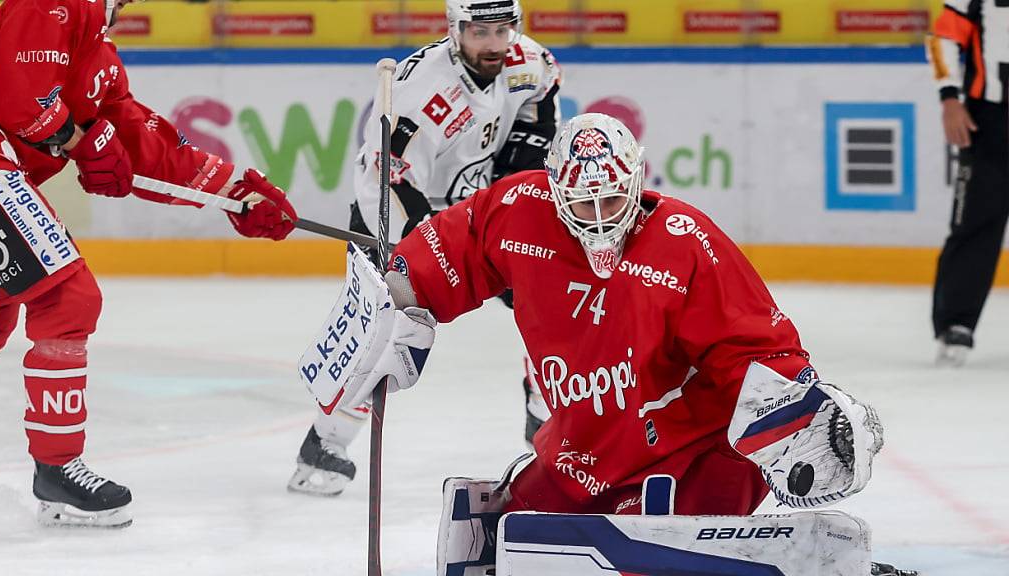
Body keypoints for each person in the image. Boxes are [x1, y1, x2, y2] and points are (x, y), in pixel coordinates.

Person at [308, 113, 913, 576]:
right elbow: (446, 254)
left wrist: (796, 413)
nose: (598, 219)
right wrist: (395, 300)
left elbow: (750, 346)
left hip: (684, 454)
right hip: (579, 451)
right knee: (512, 540)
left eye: (612, 200)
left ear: (637, 181)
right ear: (554, 190)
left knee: (642, 558)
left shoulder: (684, 240)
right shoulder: (518, 210)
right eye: (582, 203)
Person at [0, 0, 296, 527]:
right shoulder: (56, 3)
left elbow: (143, 145)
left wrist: (234, 192)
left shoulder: (99, 49)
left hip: (1, 170)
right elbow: (22, 98)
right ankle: (57, 470)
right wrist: (81, 143)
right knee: (67, 296)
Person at [288, 0, 560, 497]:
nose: (495, 45)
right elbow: (386, 178)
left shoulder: (528, 62)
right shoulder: (417, 93)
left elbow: (543, 94)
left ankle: (547, 422)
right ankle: (324, 445)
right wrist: (425, 246)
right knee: (385, 341)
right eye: (480, 32)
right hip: (398, 219)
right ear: (454, 30)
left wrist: (517, 169)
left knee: (552, 305)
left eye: (504, 30)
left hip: (483, 213)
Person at [927, 1, 1008, 367]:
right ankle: (956, 323)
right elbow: (941, 36)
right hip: (990, 120)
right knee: (975, 222)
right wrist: (949, 98)